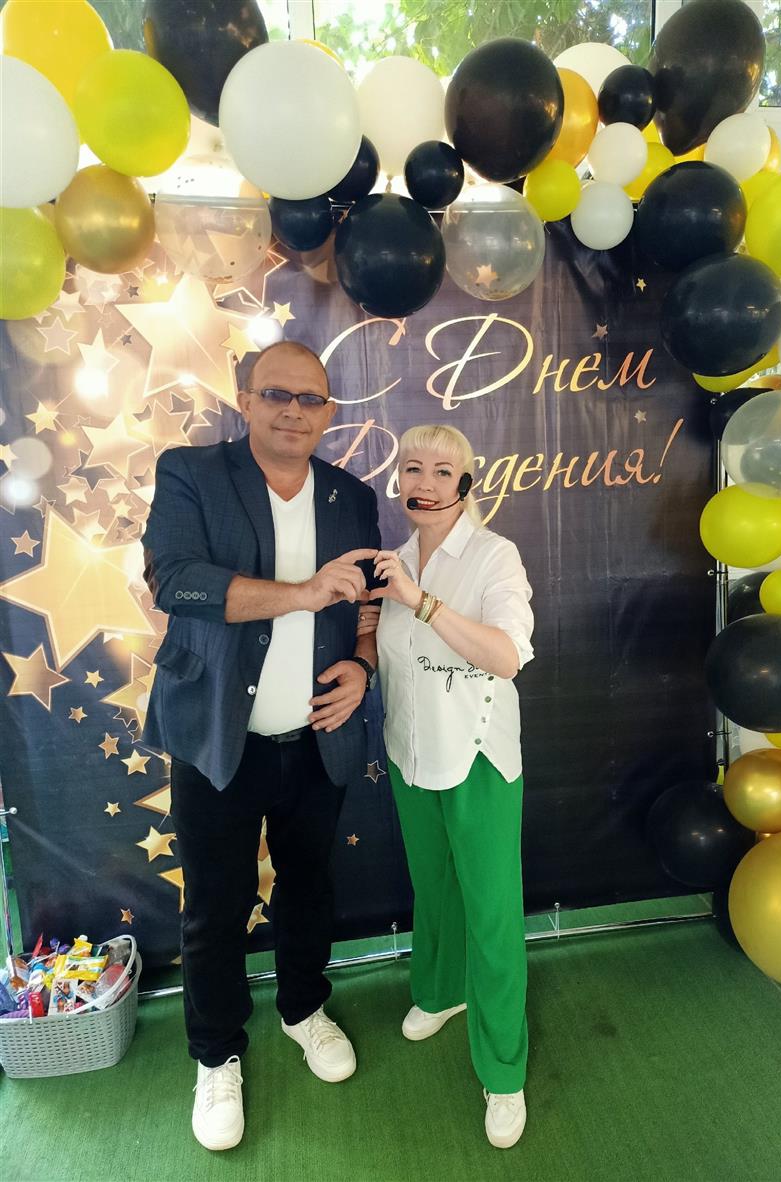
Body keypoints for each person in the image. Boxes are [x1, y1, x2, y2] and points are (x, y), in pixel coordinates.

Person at [141, 340, 380, 1152]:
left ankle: (304, 1008)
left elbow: (369, 602)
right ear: (244, 400)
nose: (293, 411)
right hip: (219, 738)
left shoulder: (352, 496)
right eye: (276, 394)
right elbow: (175, 581)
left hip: (318, 739)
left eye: (311, 399)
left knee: (309, 887)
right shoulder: (191, 473)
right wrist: (304, 593)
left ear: (328, 412)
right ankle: (216, 1053)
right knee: (216, 904)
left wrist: (362, 665)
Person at [368, 423, 534, 1149]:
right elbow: (390, 654)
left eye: (442, 471)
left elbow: (506, 656)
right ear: (398, 481)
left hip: (478, 758)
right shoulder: (394, 560)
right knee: (433, 889)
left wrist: (421, 602)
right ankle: (440, 992)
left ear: (466, 483)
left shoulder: (495, 555)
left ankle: (504, 1072)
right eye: (413, 468)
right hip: (410, 751)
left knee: (492, 916)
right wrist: (369, 624)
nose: (425, 483)